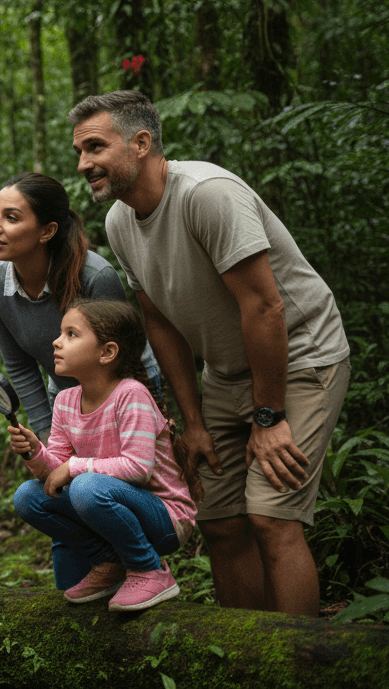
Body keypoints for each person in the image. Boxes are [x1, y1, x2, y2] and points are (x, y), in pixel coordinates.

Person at [69, 90, 350, 617]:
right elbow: (159, 323)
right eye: (79, 151)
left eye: (95, 147)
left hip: (301, 358)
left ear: (141, 143)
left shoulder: (207, 194)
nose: (83, 163)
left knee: (272, 517)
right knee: (219, 521)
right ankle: (242, 648)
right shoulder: (119, 223)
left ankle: (295, 655)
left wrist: (269, 417)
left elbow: (264, 307)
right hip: (224, 372)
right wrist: (192, 421)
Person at [10, 298, 199, 611]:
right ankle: (109, 562)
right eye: (61, 333)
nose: (56, 341)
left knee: (85, 485)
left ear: (107, 352)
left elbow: (138, 468)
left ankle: (150, 569)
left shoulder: (131, 394)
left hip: (164, 518)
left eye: (71, 334)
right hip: (108, 506)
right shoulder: (65, 401)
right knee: (28, 497)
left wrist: (74, 467)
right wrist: (34, 452)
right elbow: (55, 475)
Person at [0, 172, 160, 441]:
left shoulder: (94, 276)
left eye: (11, 218)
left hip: (130, 387)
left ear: (47, 231)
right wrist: (45, 434)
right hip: (65, 396)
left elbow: (123, 362)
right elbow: (19, 365)